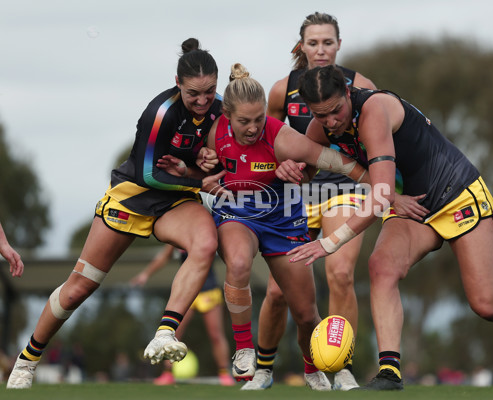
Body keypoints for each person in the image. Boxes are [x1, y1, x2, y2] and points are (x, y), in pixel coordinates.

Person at [288, 65, 493, 390]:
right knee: (382, 267)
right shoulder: (319, 128)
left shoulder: (373, 111)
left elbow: (381, 194)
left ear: (347, 93)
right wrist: (297, 169)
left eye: (336, 110)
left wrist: (329, 242)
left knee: (486, 304)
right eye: (320, 115)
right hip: (415, 205)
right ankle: (390, 372)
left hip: (457, 193)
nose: (331, 121)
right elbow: (310, 165)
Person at [6, 38, 225, 389]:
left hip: (177, 199)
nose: (202, 101)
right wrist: (200, 180)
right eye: (193, 93)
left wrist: (208, 165)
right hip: (134, 196)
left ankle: (165, 333)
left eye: (210, 91)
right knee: (78, 289)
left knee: (205, 242)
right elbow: (148, 175)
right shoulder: (160, 112)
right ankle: (27, 360)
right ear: (177, 83)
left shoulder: (221, 110)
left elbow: (225, 160)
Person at [158, 63, 368, 391]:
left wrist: (381, 186)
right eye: (244, 121)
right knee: (239, 263)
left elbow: (329, 160)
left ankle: (312, 367)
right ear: (226, 115)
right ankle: (245, 351)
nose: (253, 127)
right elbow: (192, 166)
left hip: (284, 217)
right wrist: (189, 172)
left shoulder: (281, 137)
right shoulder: (214, 132)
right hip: (237, 212)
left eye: (259, 119)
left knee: (306, 314)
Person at [244, 12, 377, 391]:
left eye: (328, 42)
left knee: (340, 274)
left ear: (338, 45)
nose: (321, 50)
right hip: (296, 194)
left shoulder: (360, 85)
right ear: (302, 46)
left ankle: (342, 367)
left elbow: (376, 136)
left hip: (345, 188)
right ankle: (264, 370)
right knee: (276, 290)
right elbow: (261, 141)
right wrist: (281, 163)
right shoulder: (280, 90)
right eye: (313, 43)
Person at [129, 244, 235, 386]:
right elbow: (163, 257)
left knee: (216, 335)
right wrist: (145, 274)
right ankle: (167, 374)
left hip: (209, 290)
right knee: (171, 332)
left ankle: (224, 374)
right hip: (187, 290)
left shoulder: (209, 230)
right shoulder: (179, 235)